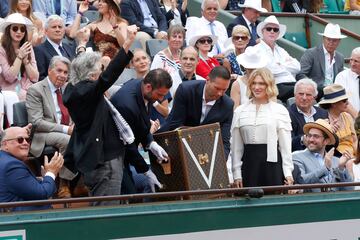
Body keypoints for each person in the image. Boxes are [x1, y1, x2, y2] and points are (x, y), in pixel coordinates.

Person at [62, 25, 137, 206]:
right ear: (92, 73)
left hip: (104, 156)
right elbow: (107, 79)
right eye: (100, 68)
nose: (102, 71)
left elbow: (83, 69)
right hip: (104, 161)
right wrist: (126, 44)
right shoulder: (83, 91)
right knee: (106, 214)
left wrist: (82, 45)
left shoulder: (78, 87)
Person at [110, 69, 172, 194]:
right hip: (112, 155)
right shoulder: (126, 104)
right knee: (129, 195)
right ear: (149, 87)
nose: (161, 99)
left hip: (124, 152)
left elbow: (141, 123)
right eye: (160, 95)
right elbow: (128, 145)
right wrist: (146, 171)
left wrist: (151, 143)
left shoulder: (142, 87)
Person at [231, 68, 294, 189]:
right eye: (254, 83)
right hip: (249, 164)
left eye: (261, 83)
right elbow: (236, 147)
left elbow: (285, 146)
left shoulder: (280, 110)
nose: (256, 87)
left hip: (273, 166)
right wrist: (236, 173)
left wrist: (288, 173)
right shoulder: (240, 111)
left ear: (269, 85)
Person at [26, 56, 75, 198]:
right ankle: (64, 185)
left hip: (66, 129)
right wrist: (66, 129)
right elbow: (36, 122)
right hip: (43, 133)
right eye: (59, 70)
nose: (63, 75)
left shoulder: (67, 89)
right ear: (49, 70)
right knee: (68, 140)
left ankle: (81, 181)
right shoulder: (36, 89)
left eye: (66, 73)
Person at [159, 66, 234, 158]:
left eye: (224, 90)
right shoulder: (185, 90)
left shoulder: (228, 104)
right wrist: (204, 136)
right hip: (176, 146)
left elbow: (224, 141)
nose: (220, 93)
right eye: (217, 88)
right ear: (207, 80)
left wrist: (220, 161)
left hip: (207, 152)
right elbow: (175, 125)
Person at [0, 124, 64, 212]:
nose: (25, 143)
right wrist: (51, 173)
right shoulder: (12, 166)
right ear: (5, 144)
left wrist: (45, 179)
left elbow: (21, 185)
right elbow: (43, 193)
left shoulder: (5, 160)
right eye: (20, 140)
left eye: (27, 140)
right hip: (25, 220)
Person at [292, 119, 353, 192]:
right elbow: (300, 181)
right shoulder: (297, 156)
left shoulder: (336, 161)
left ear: (326, 141)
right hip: (313, 202)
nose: (311, 139)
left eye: (316, 136)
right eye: (309, 135)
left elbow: (349, 190)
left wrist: (341, 168)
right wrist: (325, 168)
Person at [254, 15, 300, 103]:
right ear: (262, 31)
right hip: (274, 86)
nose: (272, 31)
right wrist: (285, 65)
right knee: (303, 91)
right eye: (269, 29)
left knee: (316, 89)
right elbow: (268, 70)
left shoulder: (281, 50)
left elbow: (297, 67)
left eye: (275, 30)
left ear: (278, 33)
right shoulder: (257, 49)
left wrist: (280, 65)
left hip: (291, 84)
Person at [297, 23, 347, 99]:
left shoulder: (340, 57)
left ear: (339, 42)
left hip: (334, 92)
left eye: (334, 40)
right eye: (328, 39)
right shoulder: (311, 53)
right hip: (317, 91)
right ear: (323, 39)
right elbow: (301, 74)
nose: (331, 43)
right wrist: (312, 87)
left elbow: (341, 78)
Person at [0, 13, 39, 101]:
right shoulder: (1, 49)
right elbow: (9, 77)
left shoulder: (28, 47)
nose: (19, 32)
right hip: (9, 92)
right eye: (15, 28)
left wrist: (26, 62)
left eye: (22, 29)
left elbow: (35, 77)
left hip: (28, 90)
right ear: (8, 30)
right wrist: (20, 57)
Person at [288, 78, 328, 151]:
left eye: (308, 95)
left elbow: (331, 142)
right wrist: (302, 139)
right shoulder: (287, 114)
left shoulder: (323, 113)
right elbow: (287, 142)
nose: (304, 98)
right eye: (301, 94)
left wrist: (331, 131)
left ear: (314, 97)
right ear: (294, 95)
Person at [319, 84, 358, 158]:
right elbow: (323, 146)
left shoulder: (347, 116)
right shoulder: (324, 119)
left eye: (347, 99)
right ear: (334, 104)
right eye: (344, 100)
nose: (347, 103)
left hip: (352, 155)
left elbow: (355, 141)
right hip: (336, 157)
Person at [34, 15, 77, 81]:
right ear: (46, 31)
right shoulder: (39, 50)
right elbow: (40, 77)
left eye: (60, 27)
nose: (57, 30)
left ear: (64, 30)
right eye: (54, 27)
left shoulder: (68, 47)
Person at [335, 47, 360, 118]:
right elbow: (342, 100)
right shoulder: (342, 76)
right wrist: (357, 118)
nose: (352, 64)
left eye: (356, 61)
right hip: (348, 121)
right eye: (351, 60)